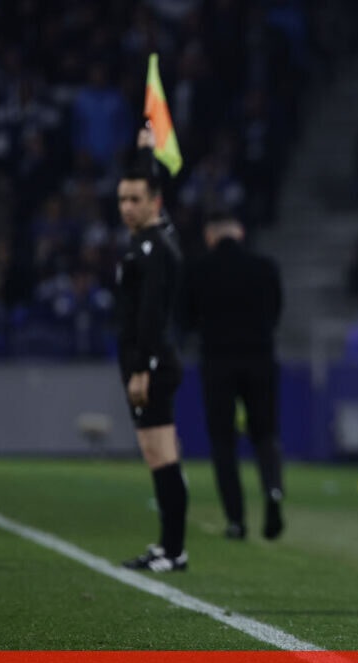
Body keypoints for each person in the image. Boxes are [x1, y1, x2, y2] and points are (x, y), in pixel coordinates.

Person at [182, 212, 285, 540]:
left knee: (223, 441)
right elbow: (276, 311)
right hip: (260, 358)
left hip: (218, 361)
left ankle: (236, 520)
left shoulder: (198, 269)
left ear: (210, 237)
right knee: (265, 433)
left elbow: (184, 319)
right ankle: (273, 490)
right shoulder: (264, 267)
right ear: (240, 234)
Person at [115, 128, 189, 572]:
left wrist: (141, 369)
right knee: (157, 454)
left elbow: (151, 314)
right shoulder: (146, 240)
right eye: (122, 199)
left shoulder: (155, 246)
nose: (127, 207)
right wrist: (144, 150)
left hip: (152, 363)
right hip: (144, 360)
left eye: (135, 200)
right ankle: (168, 546)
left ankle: (174, 549)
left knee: (162, 454)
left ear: (154, 201)